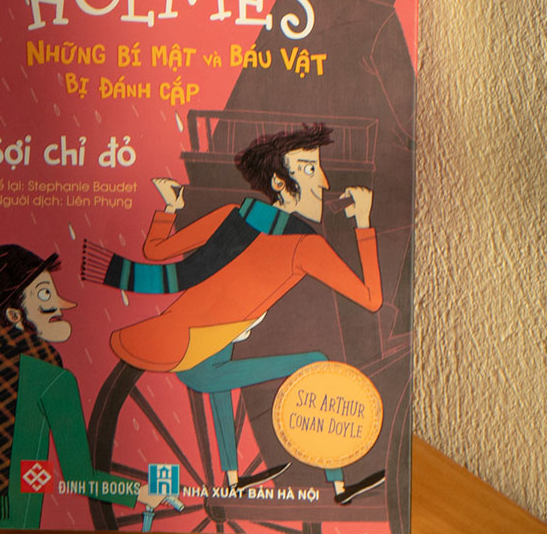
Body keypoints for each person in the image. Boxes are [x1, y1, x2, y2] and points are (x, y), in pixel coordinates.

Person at [82, 124, 384, 504]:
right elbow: (371, 299)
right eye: (309, 169)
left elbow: (154, 251)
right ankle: (338, 486)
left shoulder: (234, 216)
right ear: (278, 182)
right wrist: (363, 223)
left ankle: (231, 477)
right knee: (317, 362)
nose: (323, 182)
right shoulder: (305, 246)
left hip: (185, 345)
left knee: (220, 361)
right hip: (191, 357)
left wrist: (170, 207)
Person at [0, 244, 170, 528]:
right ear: (14, 314)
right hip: (17, 532)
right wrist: (139, 492)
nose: (63, 305)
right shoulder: (53, 377)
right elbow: (80, 478)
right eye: (44, 295)